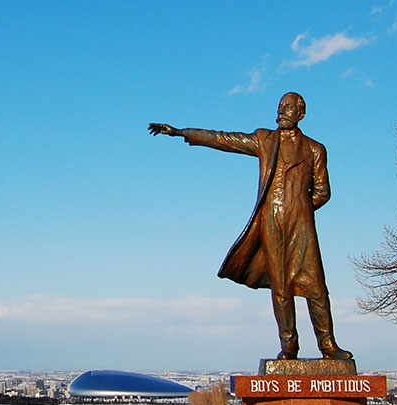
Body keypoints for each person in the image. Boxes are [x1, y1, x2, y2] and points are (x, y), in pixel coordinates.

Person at [148, 92, 352, 360]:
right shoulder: (265, 140)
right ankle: (289, 347)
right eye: (280, 107)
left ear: (300, 114)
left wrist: (299, 208)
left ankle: (328, 345)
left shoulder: (315, 149)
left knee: (315, 287)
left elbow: (322, 192)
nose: (282, 111)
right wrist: (180, 132)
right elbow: (224, 139)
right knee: (280, 288)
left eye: (288, 108)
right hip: (271, 224)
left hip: (301, 226)